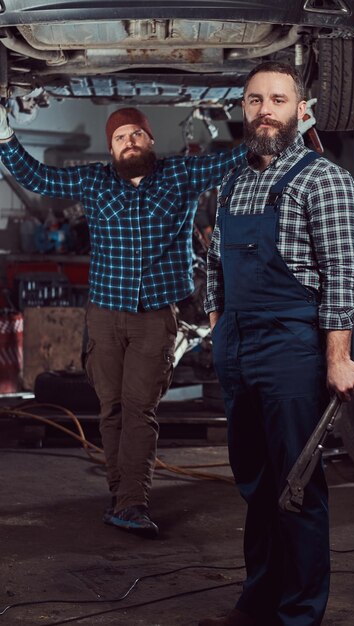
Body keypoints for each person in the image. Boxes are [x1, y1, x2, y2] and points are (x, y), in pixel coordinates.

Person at [0, 105, 247, 539]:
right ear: (110, 147)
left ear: (149, 139)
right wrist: (5, 137)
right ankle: (121, 496)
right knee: (110, 408)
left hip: (155, 317)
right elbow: (39, 178)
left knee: (140, 409)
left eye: (135, 134)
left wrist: (284, 130)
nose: (128, 141)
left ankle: (133, 502)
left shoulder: (180, 175)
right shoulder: (94, 181)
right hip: (105, 316)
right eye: (119, 137)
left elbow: (237, 158)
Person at [199, 61, 354, 626]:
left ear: (300, 109)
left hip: (292, 344)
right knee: (255, 479)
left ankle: (300, 612)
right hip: (239, 344)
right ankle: (260, 596)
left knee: (296, 485)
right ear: (243, 109)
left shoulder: (324, 179)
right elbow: (215, 263)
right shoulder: (233, 182)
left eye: (277, 99)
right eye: (253, 100)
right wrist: (219, 322)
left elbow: (342, 272)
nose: (264, 109)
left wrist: (338, 357)